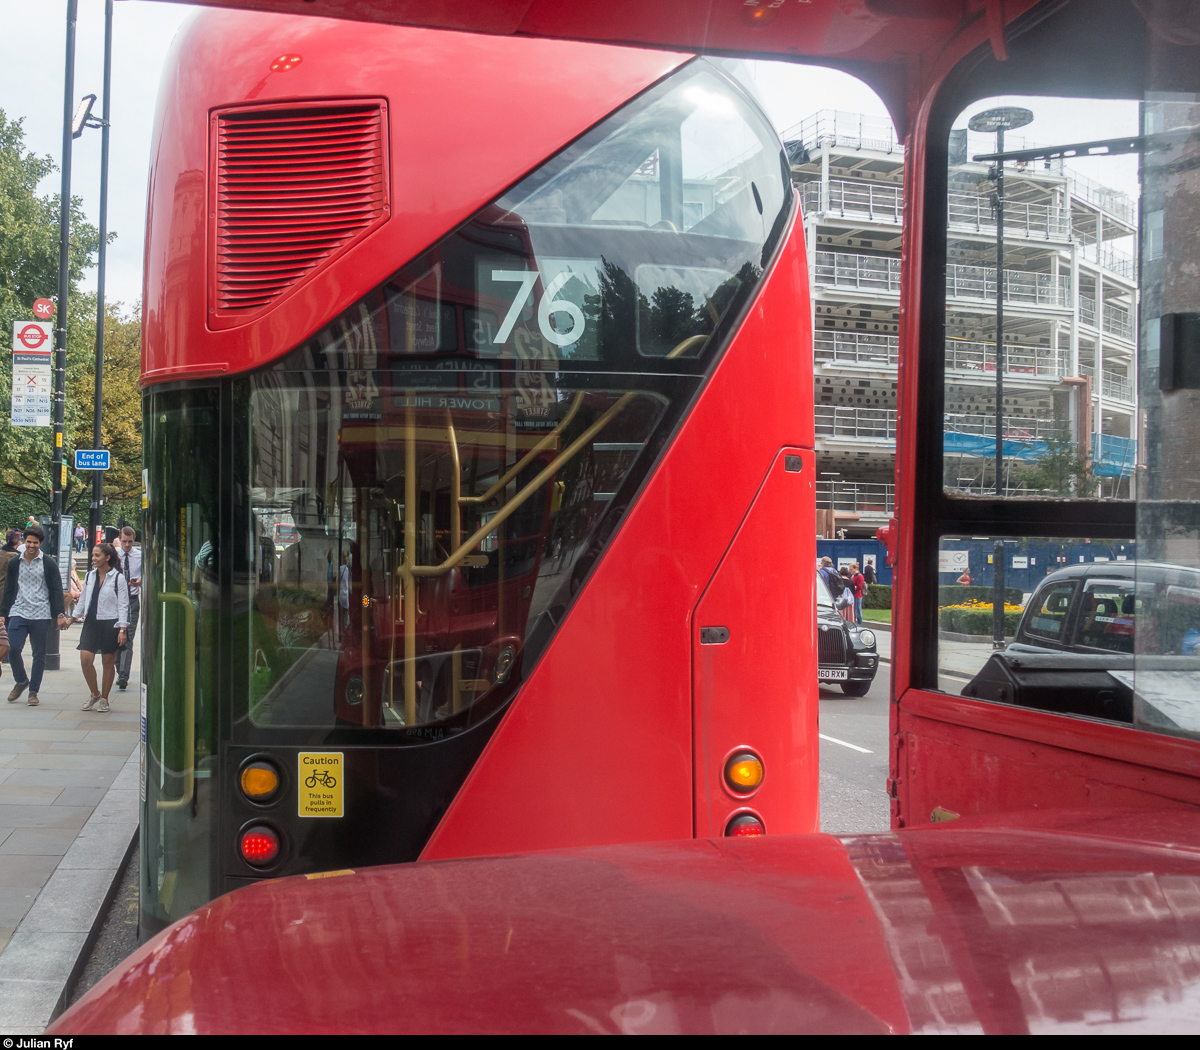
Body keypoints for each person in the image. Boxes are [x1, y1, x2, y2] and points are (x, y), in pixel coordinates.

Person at [0, 524, 68, 706]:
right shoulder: (16, 561)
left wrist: (60, 613)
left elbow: (56, 589)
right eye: (29, 542)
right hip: (19, 610)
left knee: (39, 654)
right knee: (13, 649)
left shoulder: (48, 563)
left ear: (40, 543)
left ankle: (33, 692)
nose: (31, 546)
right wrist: (3, 613)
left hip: (41, 613)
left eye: (35, 543)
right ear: (24, 541)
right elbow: (9, 589)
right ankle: (21, 680)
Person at [74, 542, 129, 713]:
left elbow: (123, 605)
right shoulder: (90, 576)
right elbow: (83, 598)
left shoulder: (118, 578)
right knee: (85, 659)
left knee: (108, 662)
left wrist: (122, 629)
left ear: (107, 557)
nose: (93, 558)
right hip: (91, 622)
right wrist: (74, 616)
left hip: (110, 623)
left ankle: (104, 698)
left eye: (97, 555)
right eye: (93, 555)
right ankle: (95, 693)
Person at [114, 527, 142, 690]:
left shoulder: (140, 555)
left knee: (128, 637)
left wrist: (140, 581)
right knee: (115, 637)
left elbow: (149, 572)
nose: (127, 545)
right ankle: (120, 669)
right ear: (120, 539)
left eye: (130, 542)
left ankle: (123, 675)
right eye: (124, 541)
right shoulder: (114, 554)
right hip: (115, 600)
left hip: (131, 600)